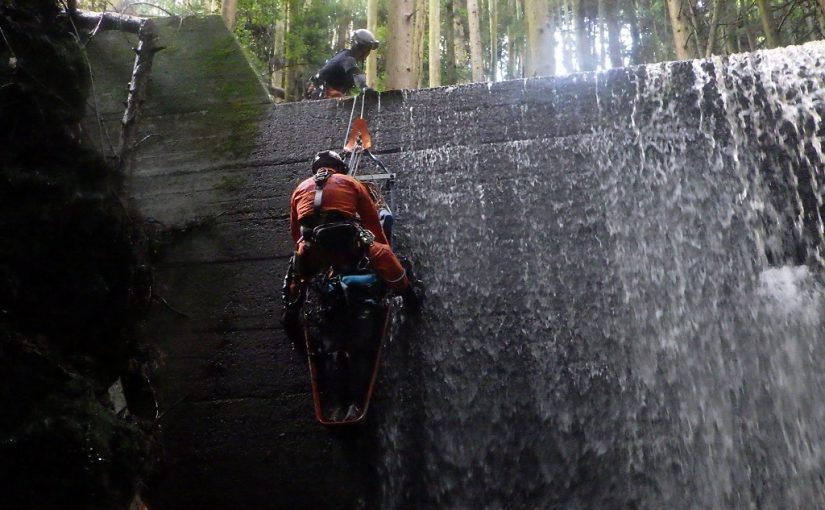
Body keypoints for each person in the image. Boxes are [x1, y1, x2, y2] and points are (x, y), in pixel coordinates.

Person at [282, 150, 423, 338]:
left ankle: (291, 313)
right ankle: (409, 297)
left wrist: (303, 256)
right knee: (384, 255)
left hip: (316, 248)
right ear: (340, 168)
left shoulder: (300, 188)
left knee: (296, 276)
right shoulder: (351, 183)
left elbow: (295, 233)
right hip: (349, 244)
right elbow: (373, 223)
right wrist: (384, 248)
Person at [305, 29, 379, 99]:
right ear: (361, 48)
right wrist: (364, 87)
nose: (368, 53)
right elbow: (354, 72)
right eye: (367, 49)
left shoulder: (347, 58)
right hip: (321, 93)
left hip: (326, 93)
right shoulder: (347, 58)